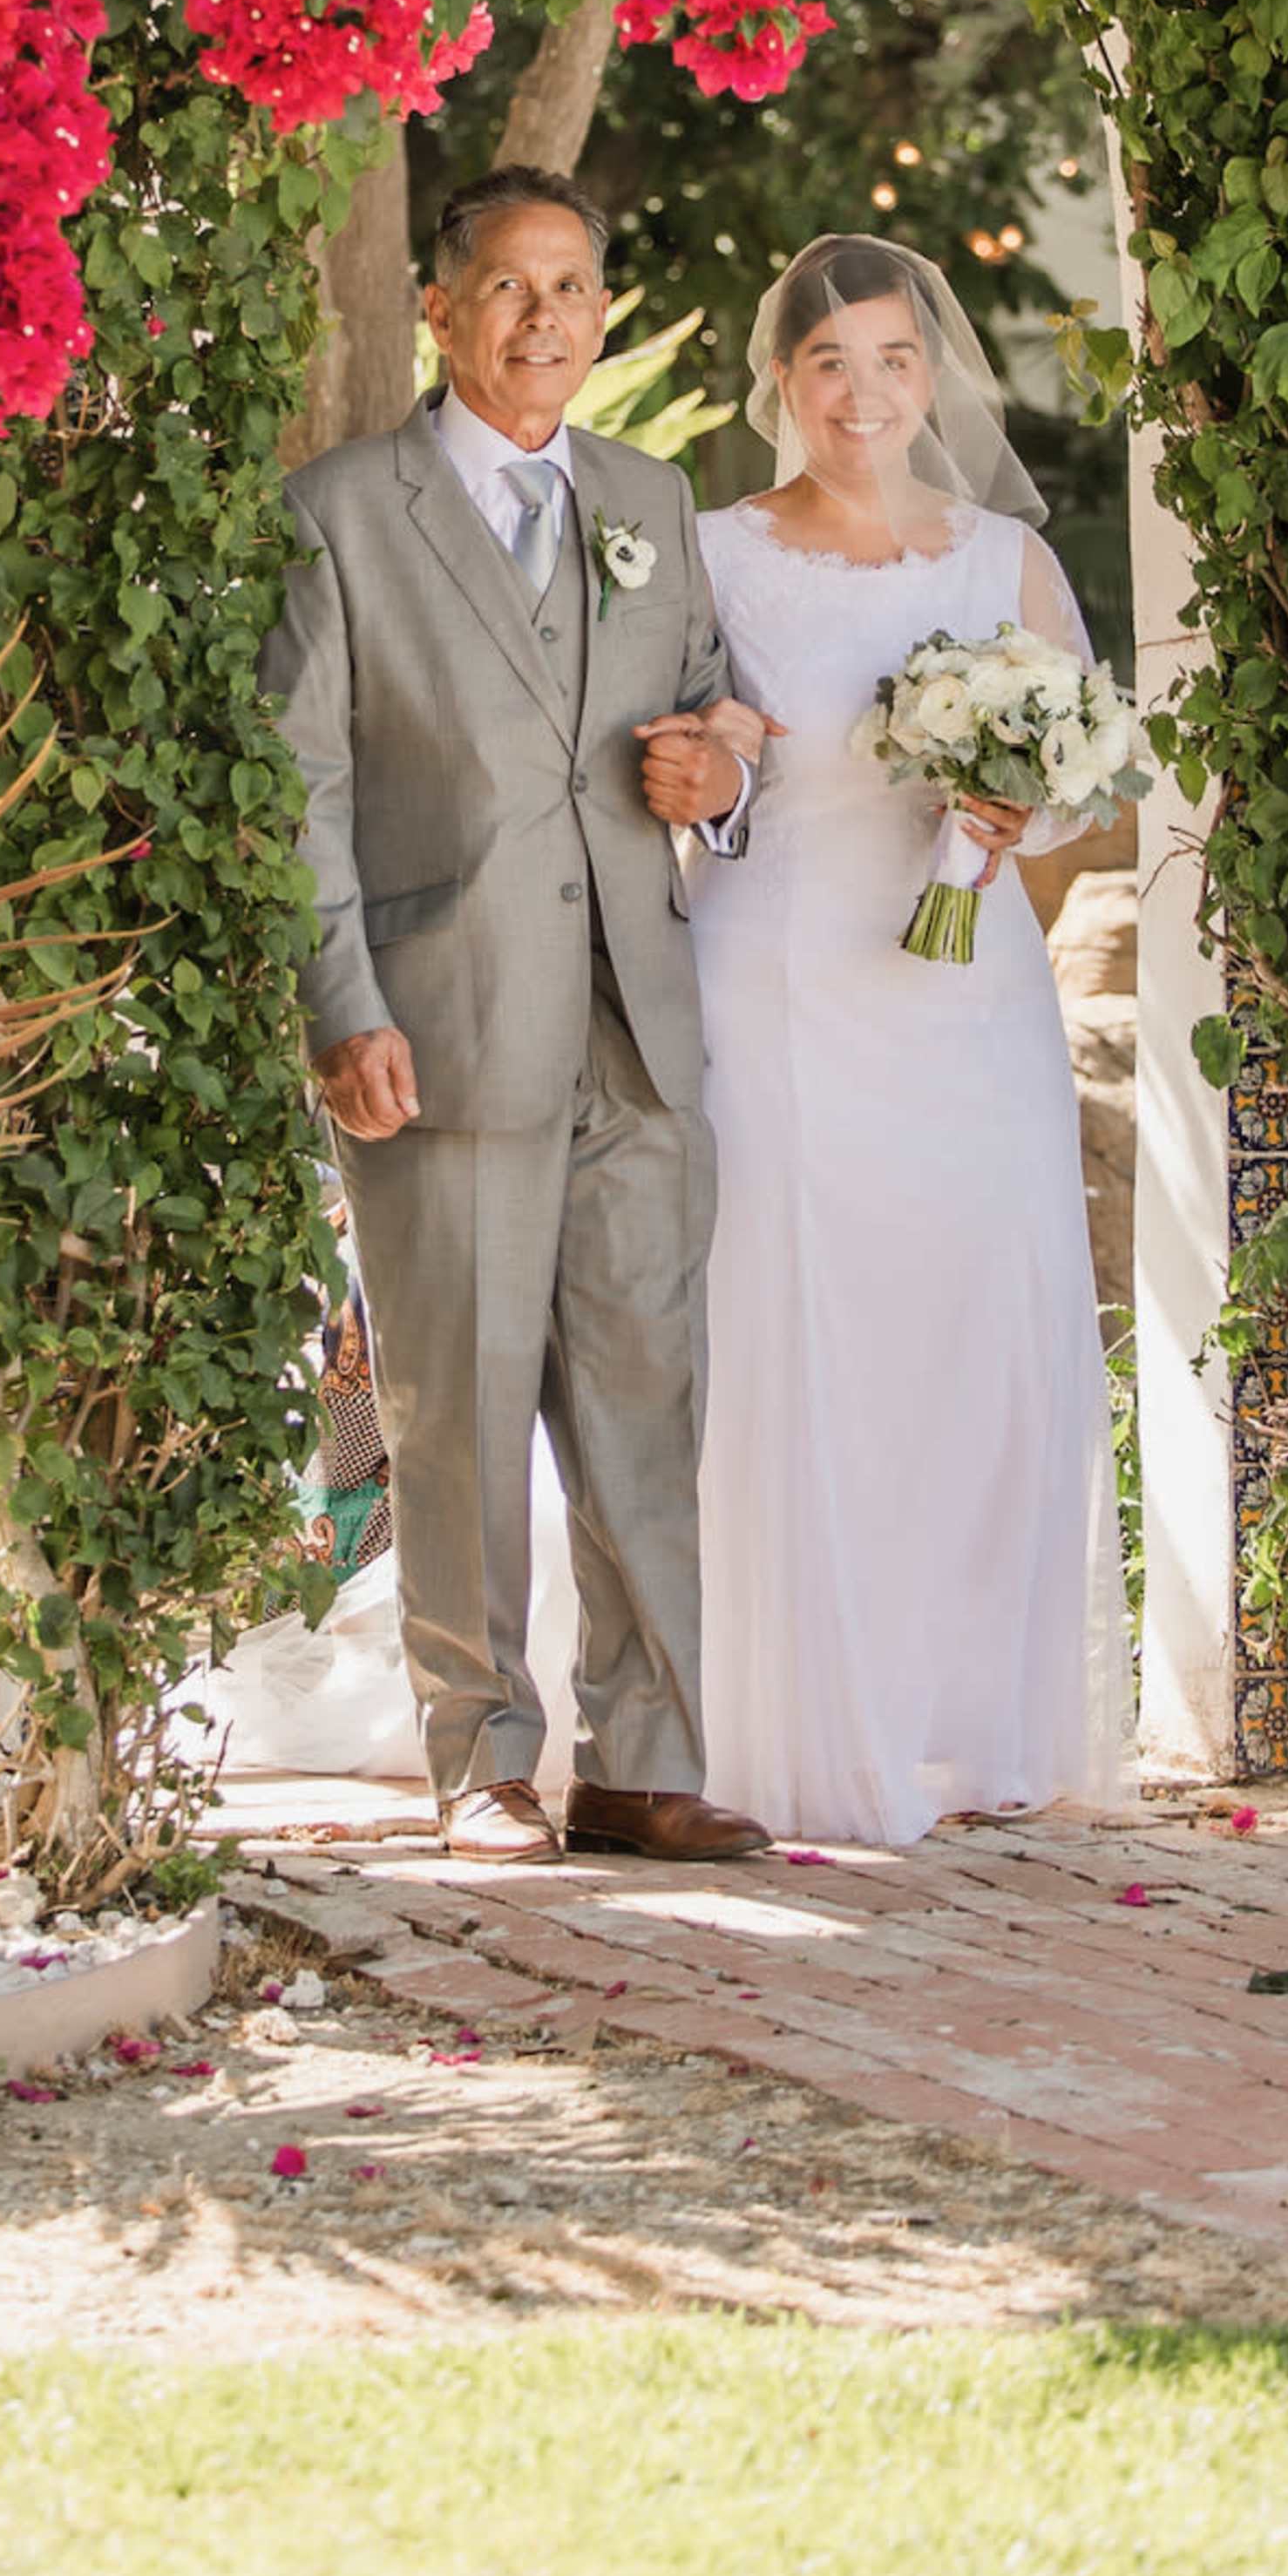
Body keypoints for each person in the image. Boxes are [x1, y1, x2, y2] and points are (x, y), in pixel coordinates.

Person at [262, 168, 771, 1868]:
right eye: (510, 288)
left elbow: (710, 708)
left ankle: (643, 1759)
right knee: (458, 1407)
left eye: (573, 287)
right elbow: (301, 785)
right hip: (443, 1026)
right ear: (444, 310)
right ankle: (478, 1755)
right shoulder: (343, 510)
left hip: (638, 1029)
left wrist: (722, 773)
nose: (544, 319)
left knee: (646, 1398)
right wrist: (343, 1000)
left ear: (603, 309)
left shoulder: (650, 494)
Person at [688, 234, 1127, 1847]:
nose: (860, 396)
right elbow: (690, 765)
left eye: (888, 361)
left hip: (965, 997)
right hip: (782, 987)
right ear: (783, 386)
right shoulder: (720, 551)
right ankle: (785, 1714)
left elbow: (1084, 774)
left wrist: (1023, 802)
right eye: (827, 367)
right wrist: (721, 767)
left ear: (924, 373)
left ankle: (968, 1712)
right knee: (792, 1329)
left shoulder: (1002, 558)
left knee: (974, 1331)